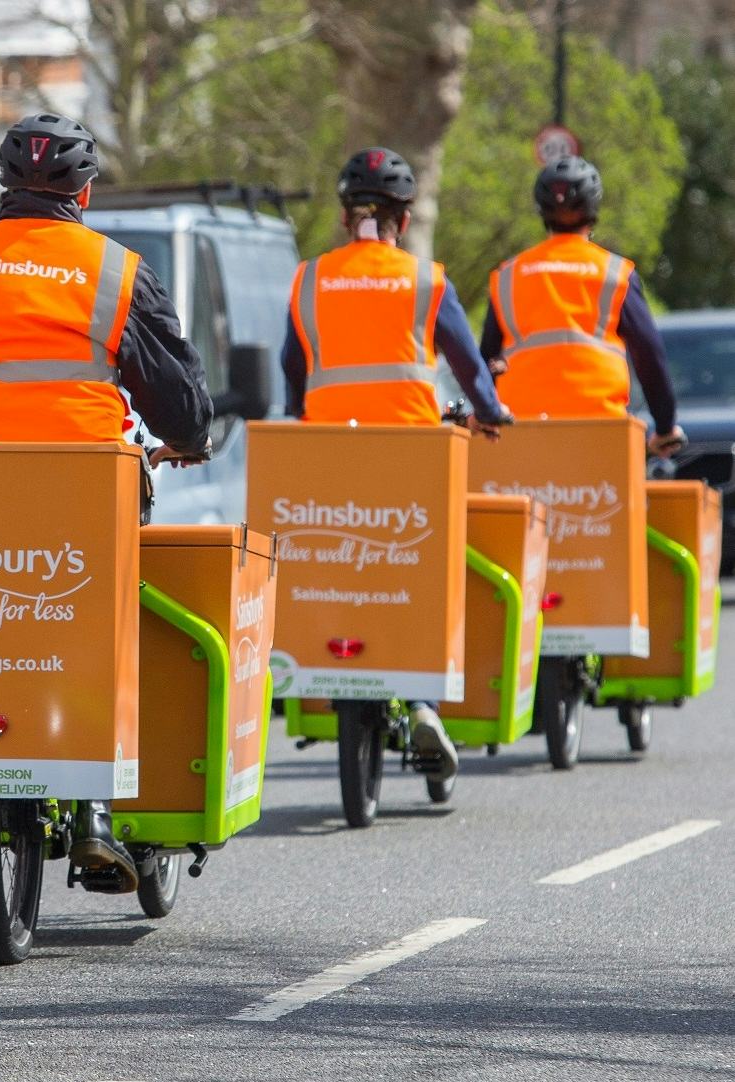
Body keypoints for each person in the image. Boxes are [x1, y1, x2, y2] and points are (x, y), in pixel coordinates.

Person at [0, 111, 214, 893]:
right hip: (86, 488)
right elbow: (178, 402)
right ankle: (96, 812)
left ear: (5, 187)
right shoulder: (114, 269)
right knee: (106, 624)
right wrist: (188, 437)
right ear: (85, 194)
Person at [280, 146, 513, 782]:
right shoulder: (427, 281)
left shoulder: (308, 279)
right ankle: (425, 699)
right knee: (425, 564)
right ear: (402, 221)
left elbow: (292, 371)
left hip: (328, 453)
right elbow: (467, 363)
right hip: (412, 451)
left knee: (333, 557)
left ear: (344, 214)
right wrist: (490, 411)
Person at [481, 155, 685, 456]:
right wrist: (665, 428)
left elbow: (485, 360)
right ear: (594, 209)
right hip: (601, 431)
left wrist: (485, 415)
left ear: (541, 211)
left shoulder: (508, 276)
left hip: (521, 431)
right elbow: (649, 356)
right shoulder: (615, 274)